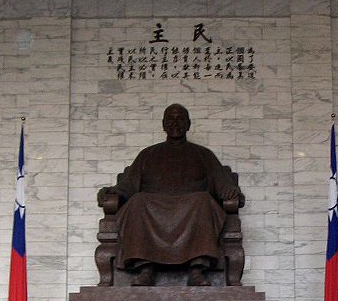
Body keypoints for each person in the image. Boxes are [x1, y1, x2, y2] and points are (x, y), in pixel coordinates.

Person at [97, 103, 243, 286]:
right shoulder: (148, 154)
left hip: (192, 206)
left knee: (203, 200)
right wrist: (112, 192)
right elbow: (128, 185)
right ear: (163, 124)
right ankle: (145, 268)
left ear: (189, 124)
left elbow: (222, 184)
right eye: (171, 119)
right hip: (153, 207)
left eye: (180, 119)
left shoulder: (203, 155)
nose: (175, 123)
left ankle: (197, 269)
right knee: (137, 201)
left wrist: (232, 192)